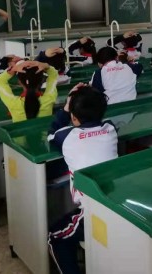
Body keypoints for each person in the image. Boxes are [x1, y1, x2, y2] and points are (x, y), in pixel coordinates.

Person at [47, 85, 118, 274]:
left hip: (94, 210)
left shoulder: (66, 136)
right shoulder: (110, 128)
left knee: (55, 236)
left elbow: (52, 133)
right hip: (115, 200)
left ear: (73, 117)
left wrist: (67, 106)